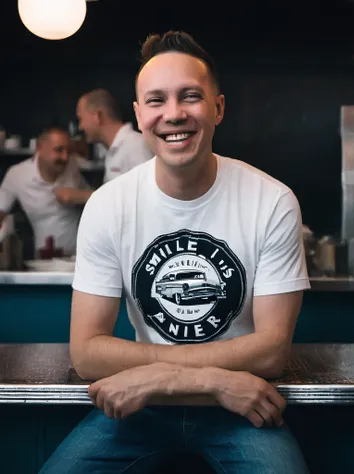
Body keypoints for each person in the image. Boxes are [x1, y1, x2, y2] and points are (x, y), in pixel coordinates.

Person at [39, 30, 311, 474]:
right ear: (138, 114)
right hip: (143, 405)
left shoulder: (272, 200)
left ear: (218, 108)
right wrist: (208, 380)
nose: (174, 114)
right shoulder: (109, 205)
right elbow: (86, 353)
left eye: (190, 96)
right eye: (156, 100)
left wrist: (163, 376)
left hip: (239, 406)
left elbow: (270, 353)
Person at [0, 126, 90, 257]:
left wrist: (76, 196)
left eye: (68, 151)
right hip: (43, 259)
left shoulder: (71, 166)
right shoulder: (17, 175)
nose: (65, 157)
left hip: (79, 256)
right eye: (59, 150)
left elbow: (95, 198)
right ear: (39, 148)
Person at [54, 89, 154, 206]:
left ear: (98, 116)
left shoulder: (135, 145)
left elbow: (148, 198)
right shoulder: (114, 149)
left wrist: (81, 196)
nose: (80, 127)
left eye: (81, 119)